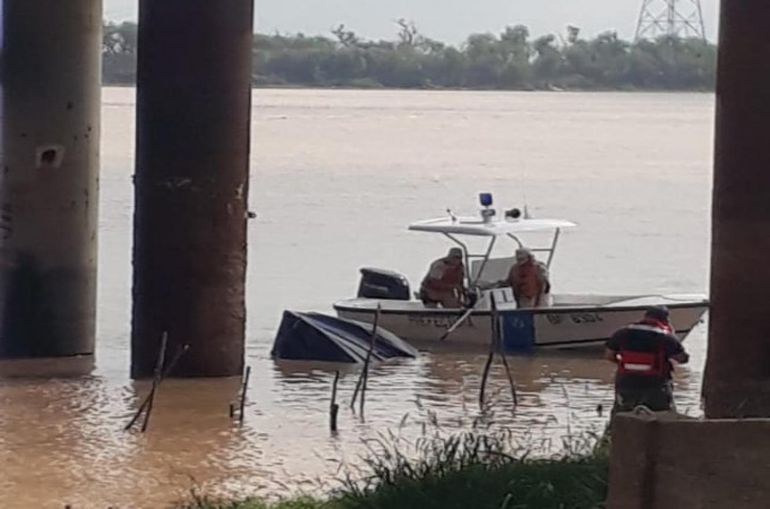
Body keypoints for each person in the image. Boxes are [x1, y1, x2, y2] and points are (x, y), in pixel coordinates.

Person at [605, 306, 690, 414]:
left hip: (626, 383)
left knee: (624, 415)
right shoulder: (665, 337)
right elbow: (682, 359)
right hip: (656, 385)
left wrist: (622, 363)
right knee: (661, 416)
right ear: (666, 320)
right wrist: (672, 335)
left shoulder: (622, 332)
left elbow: (609, 355)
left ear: (645, 316)